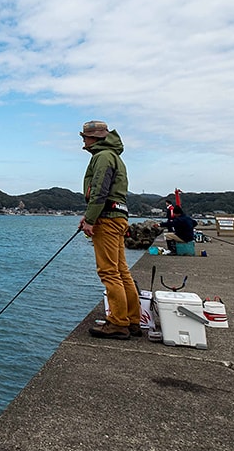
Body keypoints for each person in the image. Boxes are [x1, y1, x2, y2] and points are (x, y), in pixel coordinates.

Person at [78, 120, 141, 340]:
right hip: (118, 216)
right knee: (122, 271)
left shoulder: (102, 156)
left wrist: (91, 219)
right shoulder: (115, 156)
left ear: (95, 138)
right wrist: (89, 216)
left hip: (107, 218)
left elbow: (99, 191)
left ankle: (117, 322)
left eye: (84, 137)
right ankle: (133, 320)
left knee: (108, 272)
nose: (83, 142)